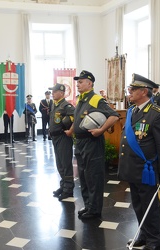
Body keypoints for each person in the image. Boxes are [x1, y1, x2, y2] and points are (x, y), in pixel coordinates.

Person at [118, 73, 160, 250]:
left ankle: (153, 241)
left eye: (133, 89)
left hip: (146, 170)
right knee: (138, 205)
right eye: (130, 89)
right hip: (133, 168)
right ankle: (143, 234)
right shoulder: (132, 111)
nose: (130, 92)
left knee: (150, 207)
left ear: (143, 92)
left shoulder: (157, 114)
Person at [65, 70, 119, 219]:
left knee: (93, 176)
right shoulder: (81, 99)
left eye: (81, 82)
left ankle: (95, 210)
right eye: (77, 82)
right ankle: (88, 205)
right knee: (83, 176)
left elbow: (114, 116)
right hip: (80, 143)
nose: (78, 84)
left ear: (90, 83)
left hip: (92, 143)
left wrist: (101, 130)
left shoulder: (95, 99)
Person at [48, 83, 75, 201]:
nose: (52, 93)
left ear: (62, 93)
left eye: (54, 91)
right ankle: (63, 186)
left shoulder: (66, 106)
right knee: (59, 164)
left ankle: (68, 189)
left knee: (65, 164)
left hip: (63, 138)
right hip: (55, 138)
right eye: (52, 91)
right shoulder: (55, 105)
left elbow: (76, 118)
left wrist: (70, 131)